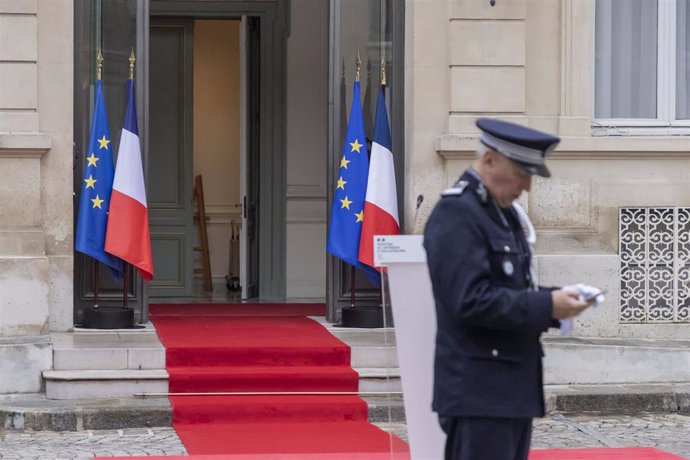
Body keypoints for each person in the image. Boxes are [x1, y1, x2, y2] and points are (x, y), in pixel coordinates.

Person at [423, 118, 595, 460]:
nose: (528, 186)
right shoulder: (458, 212)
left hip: (507, 390)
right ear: (489, 160)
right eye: (522, 173)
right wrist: (547, 305)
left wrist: (558, 302)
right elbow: (470, 301)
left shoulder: (501, 214)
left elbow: (511, 286)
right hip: (479, 391)